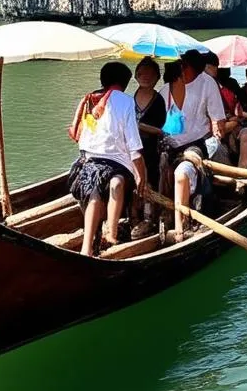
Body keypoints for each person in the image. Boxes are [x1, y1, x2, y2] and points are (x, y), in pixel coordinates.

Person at [67, 61, 147, 257]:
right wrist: (141, 176)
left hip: (87, 161)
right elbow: (134, 148)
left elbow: (81, 136)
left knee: (101, 188)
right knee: (115, 183)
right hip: (112, 164)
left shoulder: (90, 99)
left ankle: (93, 245)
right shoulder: (126, 101)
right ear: (125, 82)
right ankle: (109, 236)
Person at [159, 49, 226, 241]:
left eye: (185, 67)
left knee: (181, 175)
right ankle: (147, 218)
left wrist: (219, 134)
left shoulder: (207, 83)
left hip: (195, 145)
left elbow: (217, 119)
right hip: (168, 145)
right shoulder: (166, 89)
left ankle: (182, 226)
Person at [130, 56, 166, 237]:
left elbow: (160, 130)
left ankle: (148, 219)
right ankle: (132, 216)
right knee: (131, 180)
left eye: (150, 74)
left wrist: (139, 126)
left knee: (148, 180)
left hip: (150, 148)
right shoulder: (130, 100)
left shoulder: (158, 101)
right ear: (136, 75)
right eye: (141, 73)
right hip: (132, 148)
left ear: (157, 78)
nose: (145, 77)